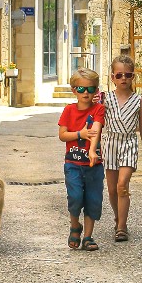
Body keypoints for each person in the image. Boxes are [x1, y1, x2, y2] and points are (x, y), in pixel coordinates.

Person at [89, 55, 142, 242]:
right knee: (111, 189)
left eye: (128, 75)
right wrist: (94, 103)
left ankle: (122, 227)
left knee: (122, 185)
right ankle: (118, 217)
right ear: (112, 78)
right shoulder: (105, 99)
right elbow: (95, 119)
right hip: (110, 143)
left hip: (128, 143)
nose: (123, 78)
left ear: (133, 76)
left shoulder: (138, 101)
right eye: (119, 75)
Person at [58, 68, 106, 251]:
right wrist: (80, 133)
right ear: (73, 90)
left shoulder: (99, 109)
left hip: (94, 165)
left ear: (96, 90)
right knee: (76, 197)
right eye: (81, 89)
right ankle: (74, 226)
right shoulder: (69, 110)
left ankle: (87, 236)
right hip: (73, 164)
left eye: (90, 89)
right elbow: (62, 135)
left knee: (93, 200)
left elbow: (96, 130)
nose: (85, 93)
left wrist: (93, 151)